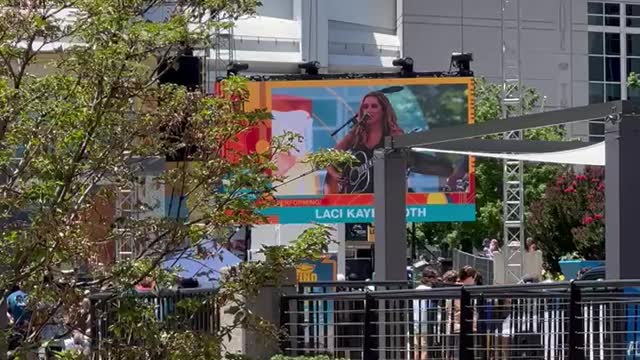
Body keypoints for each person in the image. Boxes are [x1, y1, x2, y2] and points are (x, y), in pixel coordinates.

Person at [324, 91, 404, 194]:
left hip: (382, 195)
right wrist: (335, 175)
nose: (369, 110)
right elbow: (328, 158)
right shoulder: (356, 134)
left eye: (374, 106)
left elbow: (402, 170)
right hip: (352, 194)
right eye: (365, 107)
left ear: (384, 110)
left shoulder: (395, 135)